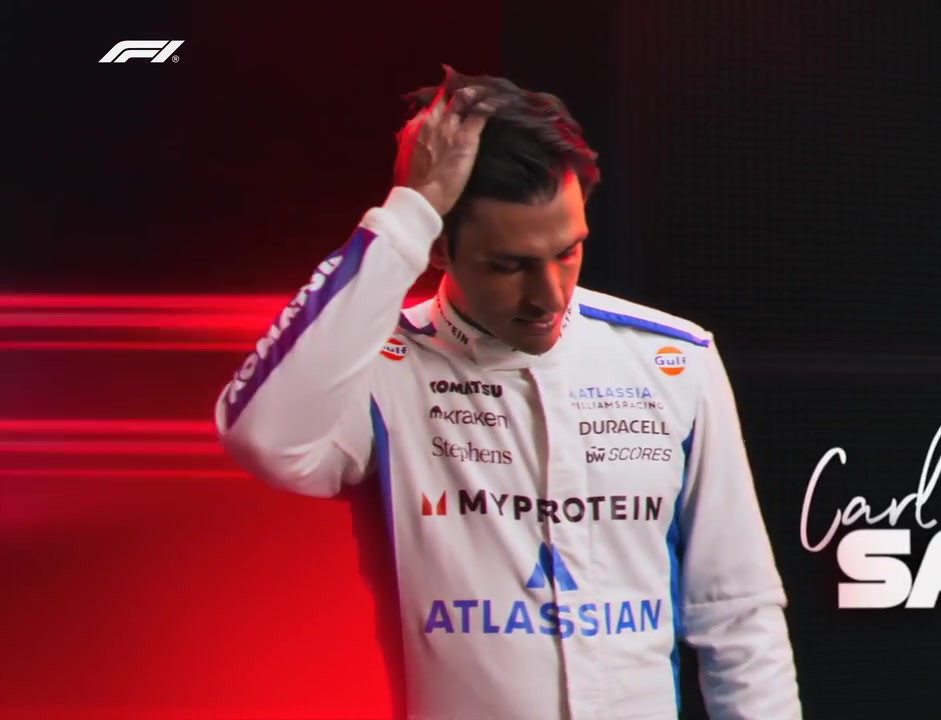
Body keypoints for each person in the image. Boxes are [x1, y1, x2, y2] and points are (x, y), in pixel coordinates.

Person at [214, 65, 802, 720]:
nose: (549, 296)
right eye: (509, 265)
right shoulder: (383, 367)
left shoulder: (672, 359)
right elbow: (263, 438)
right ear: (438, 249)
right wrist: (407, 214)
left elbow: (738, 615)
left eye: (568, 252)